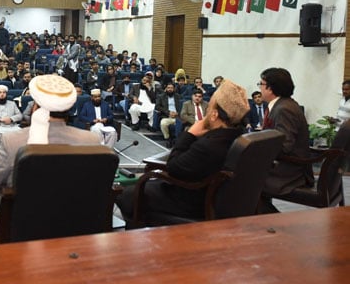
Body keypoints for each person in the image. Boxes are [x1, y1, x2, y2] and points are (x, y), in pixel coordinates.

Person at [0, 75, 101, 245]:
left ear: (35, 107)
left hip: (22, 228)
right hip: (77, 224)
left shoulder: (13, 142)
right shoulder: (91, 140)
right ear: (68, 109)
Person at [116, 79, 250, 224]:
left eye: (210, 106)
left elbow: (173, 167)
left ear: (214, 115)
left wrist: (190, 134)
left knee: (130, 194)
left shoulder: (210, 145)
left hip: (192, 201)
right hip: (222, 198)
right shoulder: (241, 137)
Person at [258, 67, 312, 213]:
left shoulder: (284, 109)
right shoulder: (283, 104)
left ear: (270, 88)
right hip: (286, 164)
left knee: (244, 180)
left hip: (291, 171)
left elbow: (284, 146)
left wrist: (258, 150)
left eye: (261, 84)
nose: (260, 88)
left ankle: (273, 222)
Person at [155, 82, 183, 147]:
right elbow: (157, 106)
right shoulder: (161, 96)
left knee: (181, 124)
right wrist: (168, 112)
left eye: (171, 88)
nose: (170, 89)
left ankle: (177, 140)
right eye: (168, 88)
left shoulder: (178, 96)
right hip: (167, 116)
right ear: (166, 89)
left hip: (177, 116)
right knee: (163, 123)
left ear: (174, 89)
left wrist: (177, 113)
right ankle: (168, 139)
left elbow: (182, 106)